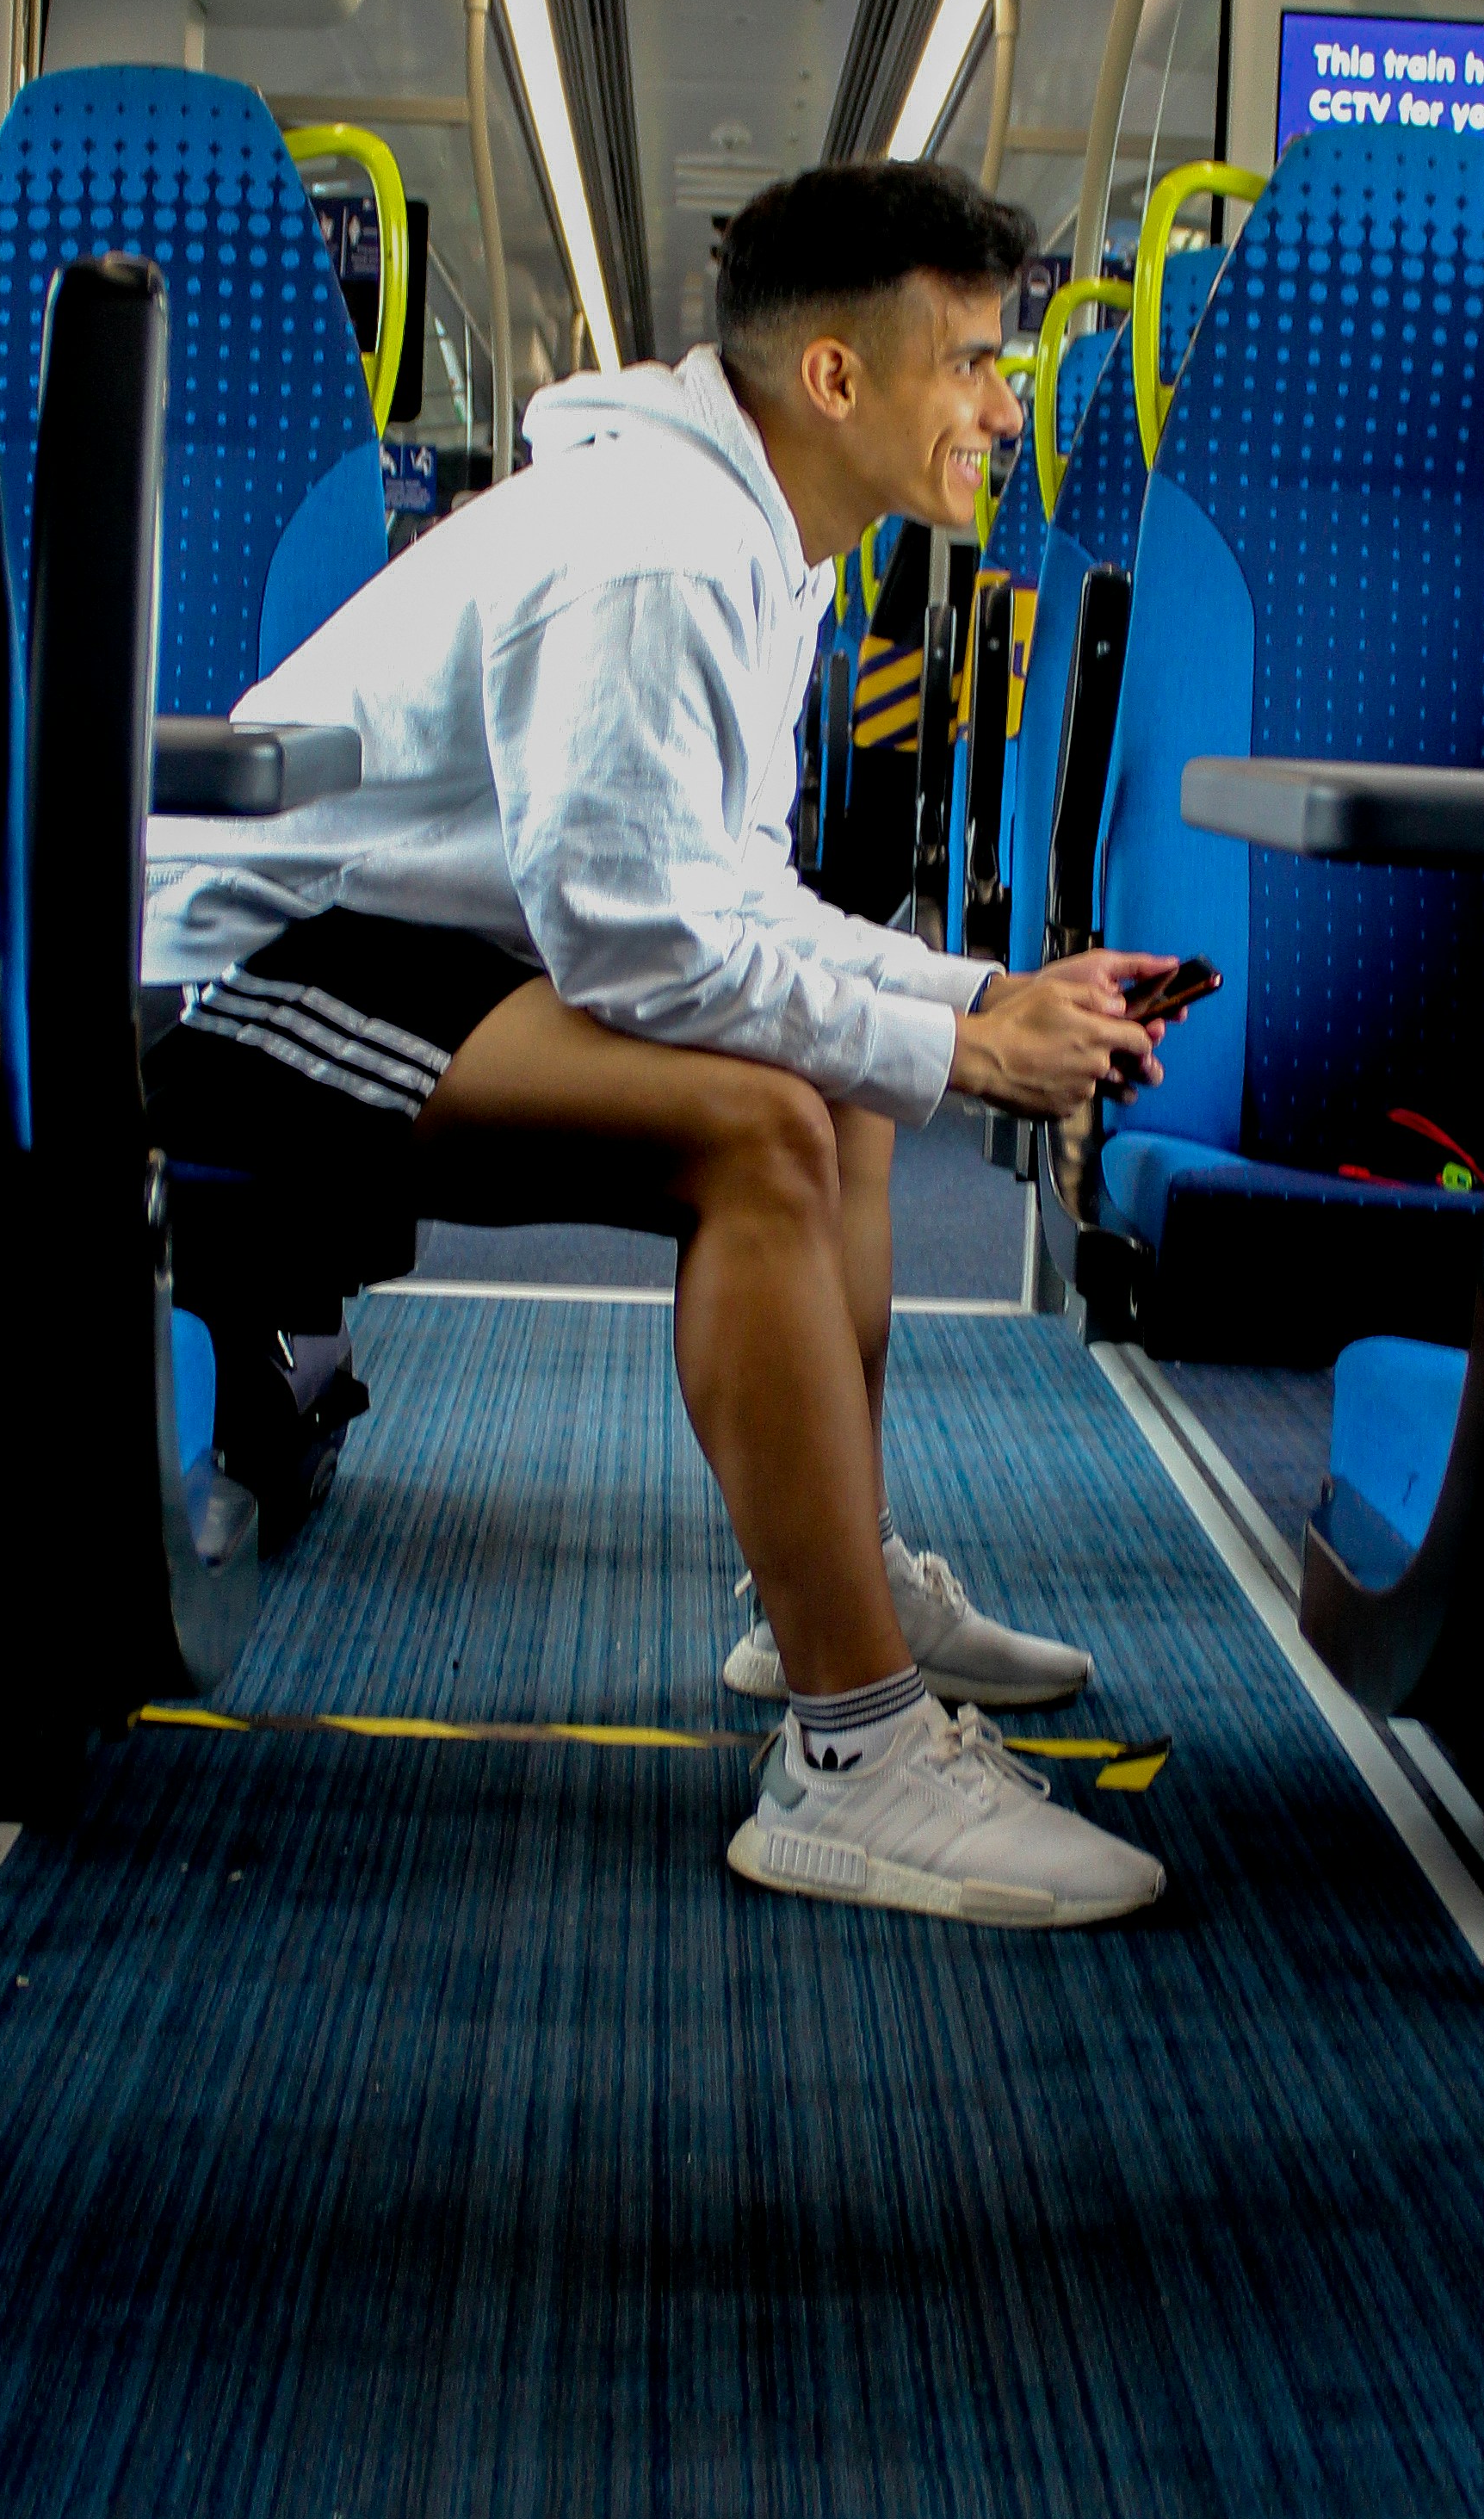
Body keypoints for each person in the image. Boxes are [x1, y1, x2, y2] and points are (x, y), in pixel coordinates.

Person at [141, 159, 1190, 1931]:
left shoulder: (756, 540)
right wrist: (964, 1062)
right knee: (764, 1126)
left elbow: (734, 897)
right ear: (838, 382)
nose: (1008, 410)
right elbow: (640, 947)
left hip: (425, 947)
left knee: (833, 1087)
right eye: (972, 365)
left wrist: (974, 1000)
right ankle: (856, 1758)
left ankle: (825, 1594)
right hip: (226, 980)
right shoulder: (659, 550)